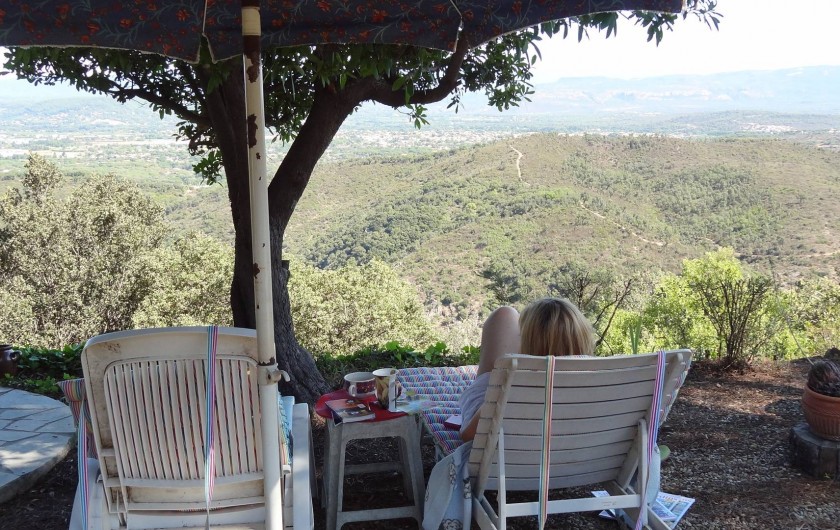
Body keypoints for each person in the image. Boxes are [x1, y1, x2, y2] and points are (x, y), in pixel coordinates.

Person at [458, 297, 595, 442]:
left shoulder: (511, 386)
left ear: (524, 343)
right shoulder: (601, 386)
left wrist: (500, 385)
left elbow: (468, 436)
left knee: (503, 315)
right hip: (567, 448)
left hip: (504, 443)